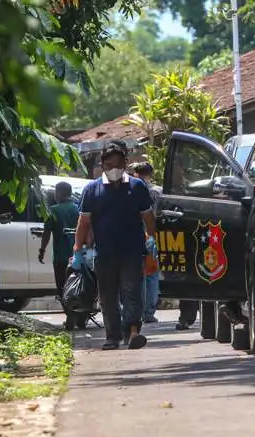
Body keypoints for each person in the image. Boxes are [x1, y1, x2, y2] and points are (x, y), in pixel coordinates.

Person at [72, 141, 156, 350]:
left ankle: (133, 332)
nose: (113, 169)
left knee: (132, 293)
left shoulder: (137, 187)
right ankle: (112, 336)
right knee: (107, 298)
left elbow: (148, 216)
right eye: (109, 165)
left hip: (132, 251)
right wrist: (78, 250)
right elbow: (83, 222)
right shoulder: (92, 189)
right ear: (102, 165)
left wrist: (152, 237)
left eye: (118, 164)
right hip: (105, 253)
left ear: (126, 163)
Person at [37, 181, 79, 327]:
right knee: (79, 285)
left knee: (63, 287)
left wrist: (42, 250)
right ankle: (80, 316)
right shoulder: (78, 209)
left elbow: (47, 233)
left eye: (56, 191)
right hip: (78, 257)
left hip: (61, 258)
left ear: (60, 193)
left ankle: (70, 316)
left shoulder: (53, 210)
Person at [129, 161, 162, 323]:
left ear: (136, 173)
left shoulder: (131, 189)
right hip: (153, 236)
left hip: (135, 235)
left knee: (139, 276)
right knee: (152, 275)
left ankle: (139, 311)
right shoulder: (158, 192)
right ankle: (149, 312)